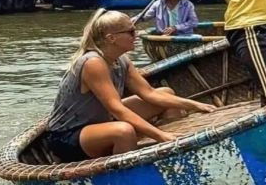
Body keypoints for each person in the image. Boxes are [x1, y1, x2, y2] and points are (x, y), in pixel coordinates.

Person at [45, 9, 214, 162]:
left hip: (100, 120)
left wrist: (194, 104)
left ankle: (172, 155)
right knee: (123, 131)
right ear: (112, 38)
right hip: (66, 136)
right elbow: (116, 109)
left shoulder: (121, 60)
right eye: (131, 32)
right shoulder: (93, 63)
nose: (137, 35)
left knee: (166, 94)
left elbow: (149, 93)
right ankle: (124, 170)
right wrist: (160, 135)